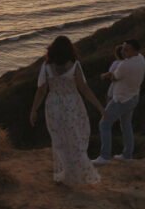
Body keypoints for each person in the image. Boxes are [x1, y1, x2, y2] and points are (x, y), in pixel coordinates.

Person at [29, 35, 106, 186]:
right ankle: (73, 173)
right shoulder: (75, 65)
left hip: (54, 105)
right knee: (76, 137)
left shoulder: (46, 66)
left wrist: (33, 110)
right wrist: (99, 106)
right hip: (72, 104)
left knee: (59, 140)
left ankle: (64, 173)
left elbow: (41, 91)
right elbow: (84, 88)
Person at [93, 39, 145, 165]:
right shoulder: (141, 58)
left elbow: (114, 77)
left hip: (121, 99)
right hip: (133, 97)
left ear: (134, 51)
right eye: (123, 48)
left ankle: (105, 157)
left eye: (126, 49)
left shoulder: (125, 65)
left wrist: (106, 75)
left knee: (104, 124)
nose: (122, 51)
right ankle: (127, 155)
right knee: (126, 125)